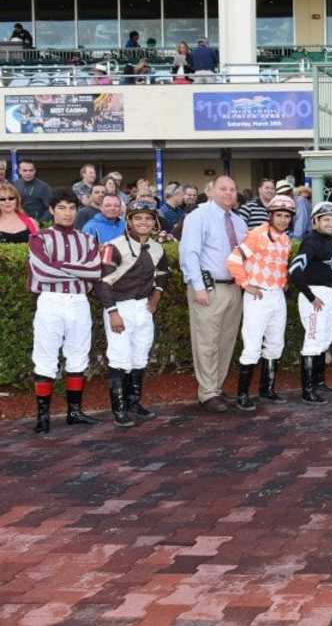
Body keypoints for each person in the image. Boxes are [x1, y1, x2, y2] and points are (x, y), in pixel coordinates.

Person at [28, 190, 103, 434]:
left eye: (71, 208)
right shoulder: (39, 238)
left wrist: (60, 266)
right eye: (61, 208)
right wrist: (79, 270)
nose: (67, 213)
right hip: (51, 301)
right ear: (51, 210)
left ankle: (74, 412)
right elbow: (42, 271)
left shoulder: (88, 239)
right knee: (45, 357)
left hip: (79, 301)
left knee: (78, 355)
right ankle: (43, 416)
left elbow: (95, 271)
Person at [96, 200, 168, 428]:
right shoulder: (113, 246)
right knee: (119, 358)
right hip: (119, 308)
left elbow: (163, 274)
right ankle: (119, 409)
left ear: (154, 221)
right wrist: (113, 312)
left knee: (140, 357)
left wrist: (155, 299)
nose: (143, 222)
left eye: (148, 218)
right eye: (138, 218)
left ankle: (133, 402)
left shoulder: (158, 248)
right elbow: (102, 282)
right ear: (129, 221)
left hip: (143, 309)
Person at [179, 175, 247, 413]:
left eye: (232, 189)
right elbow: (189, 253)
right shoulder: (198, 216)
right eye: (223, 189)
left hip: (233, 287)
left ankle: (216, 387)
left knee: (226, 341)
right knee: (206, 341)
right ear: (212, 191)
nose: (228, 193)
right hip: (208, 289)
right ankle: (206, 392)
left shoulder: (239, 222)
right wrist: (198, 287)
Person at [227, 195, 295, 412]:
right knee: (252, 346)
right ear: (270, 215)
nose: (283, 219)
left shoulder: (285, 239)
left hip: (276, 295)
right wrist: (245, 284)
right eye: (280, 215)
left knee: (275, 344)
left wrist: (283, 283)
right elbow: (234, 260)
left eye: (287, 216)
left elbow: (280, 266)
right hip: (257, 295)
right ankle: (243, 395)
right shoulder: (256, 234)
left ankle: (267, 390)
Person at [290, 201, 332, 406]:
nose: (330, 223)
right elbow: (295, 271)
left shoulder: (329, 241)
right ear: (315, 221)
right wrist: (311, 297)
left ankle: (319, 383)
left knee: (325, 338)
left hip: (328, 294)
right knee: (312, 340)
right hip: (315, 296)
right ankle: (307, 390)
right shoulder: (311, 241)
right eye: (326, 219)